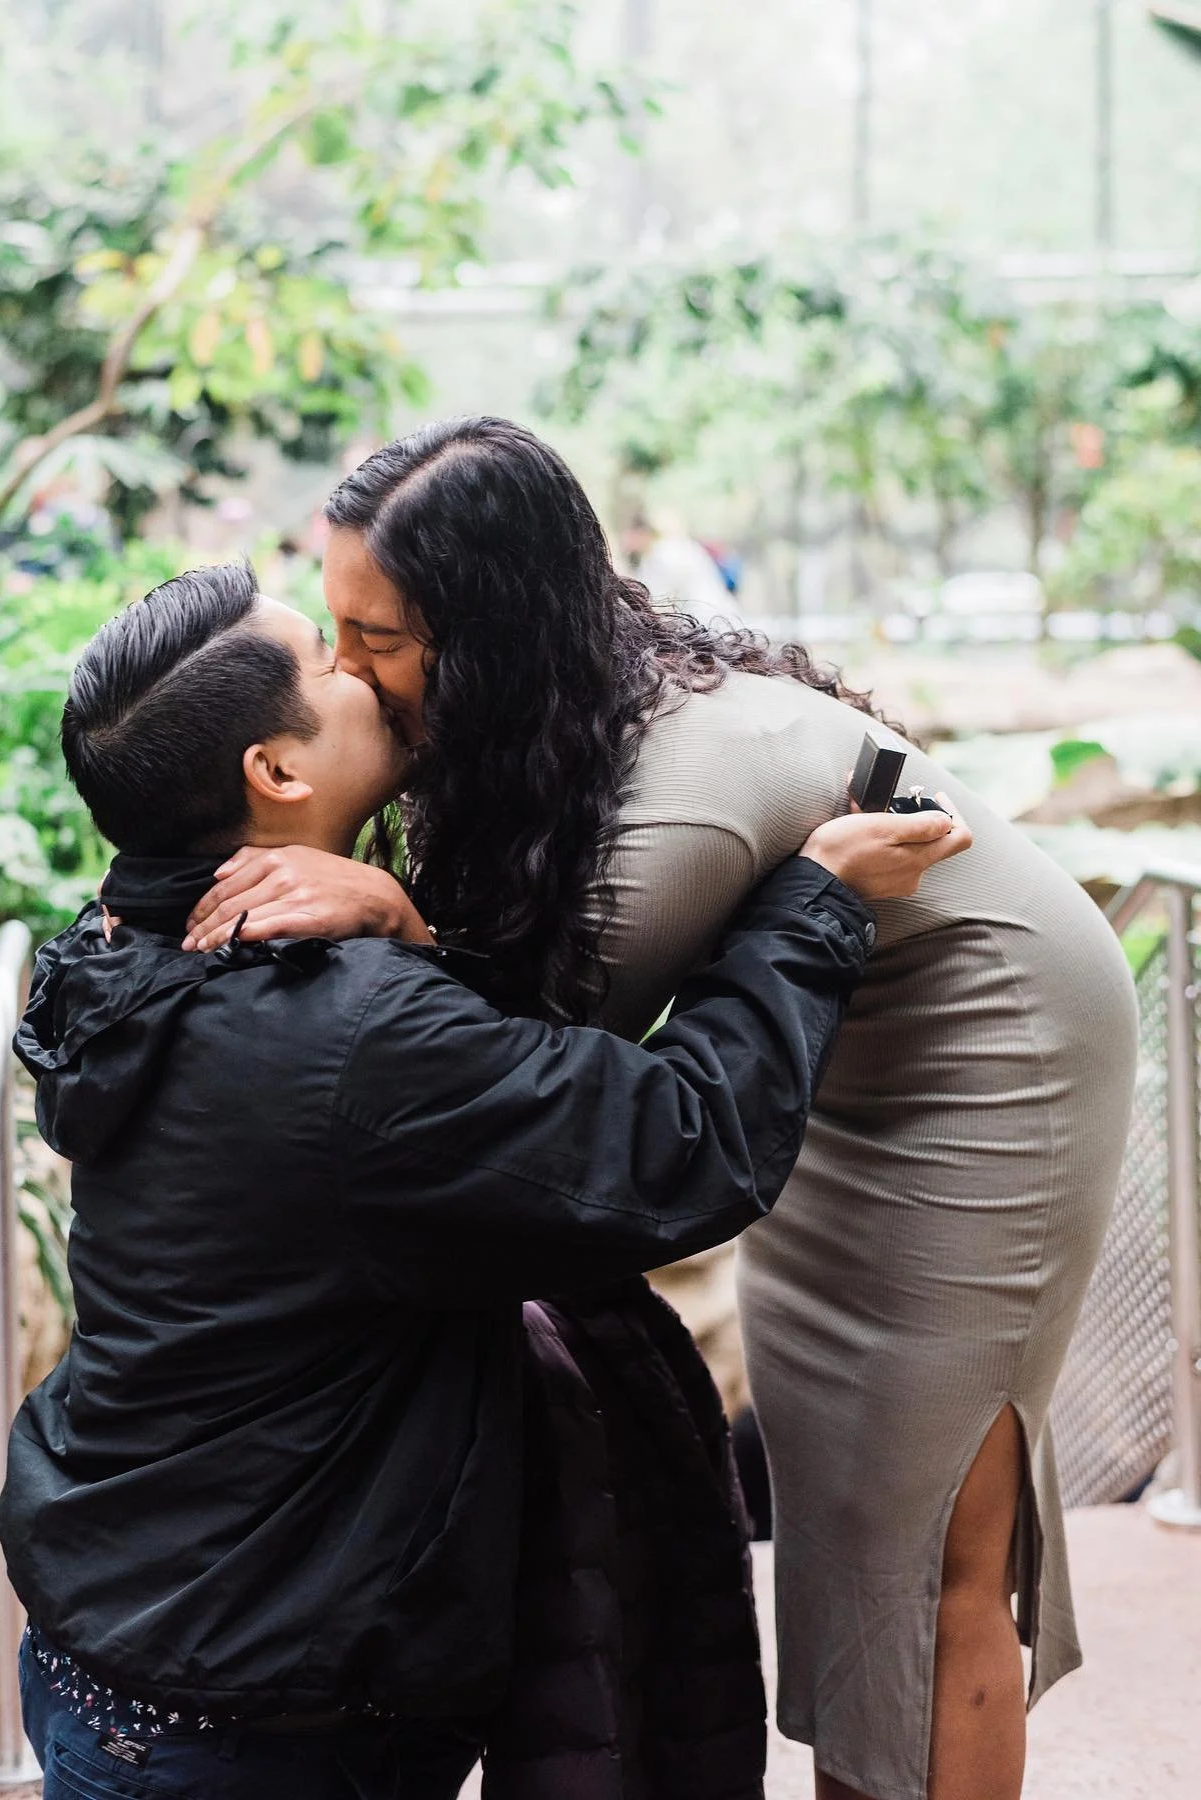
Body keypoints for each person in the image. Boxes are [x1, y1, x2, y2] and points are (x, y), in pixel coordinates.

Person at [185, 417, 1139, 1800]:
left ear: (491, 632)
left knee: (937, 1549)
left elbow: (530, 1081)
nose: (344, 670)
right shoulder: (565, 713)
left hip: (993, 1067)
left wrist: (395, 915)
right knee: (850, 1526)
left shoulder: (675, 807)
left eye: (374, 637)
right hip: (844, 1072)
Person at [0, 563, 966, 1800]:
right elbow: (680, 1141)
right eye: (329, 659)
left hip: (114, 1636)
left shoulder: (122, 946)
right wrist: (816, 905)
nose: (367, 668)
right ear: (277, 773)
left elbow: (371, 1119)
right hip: (256, 1712)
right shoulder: (347, 1027)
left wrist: (409, 934)